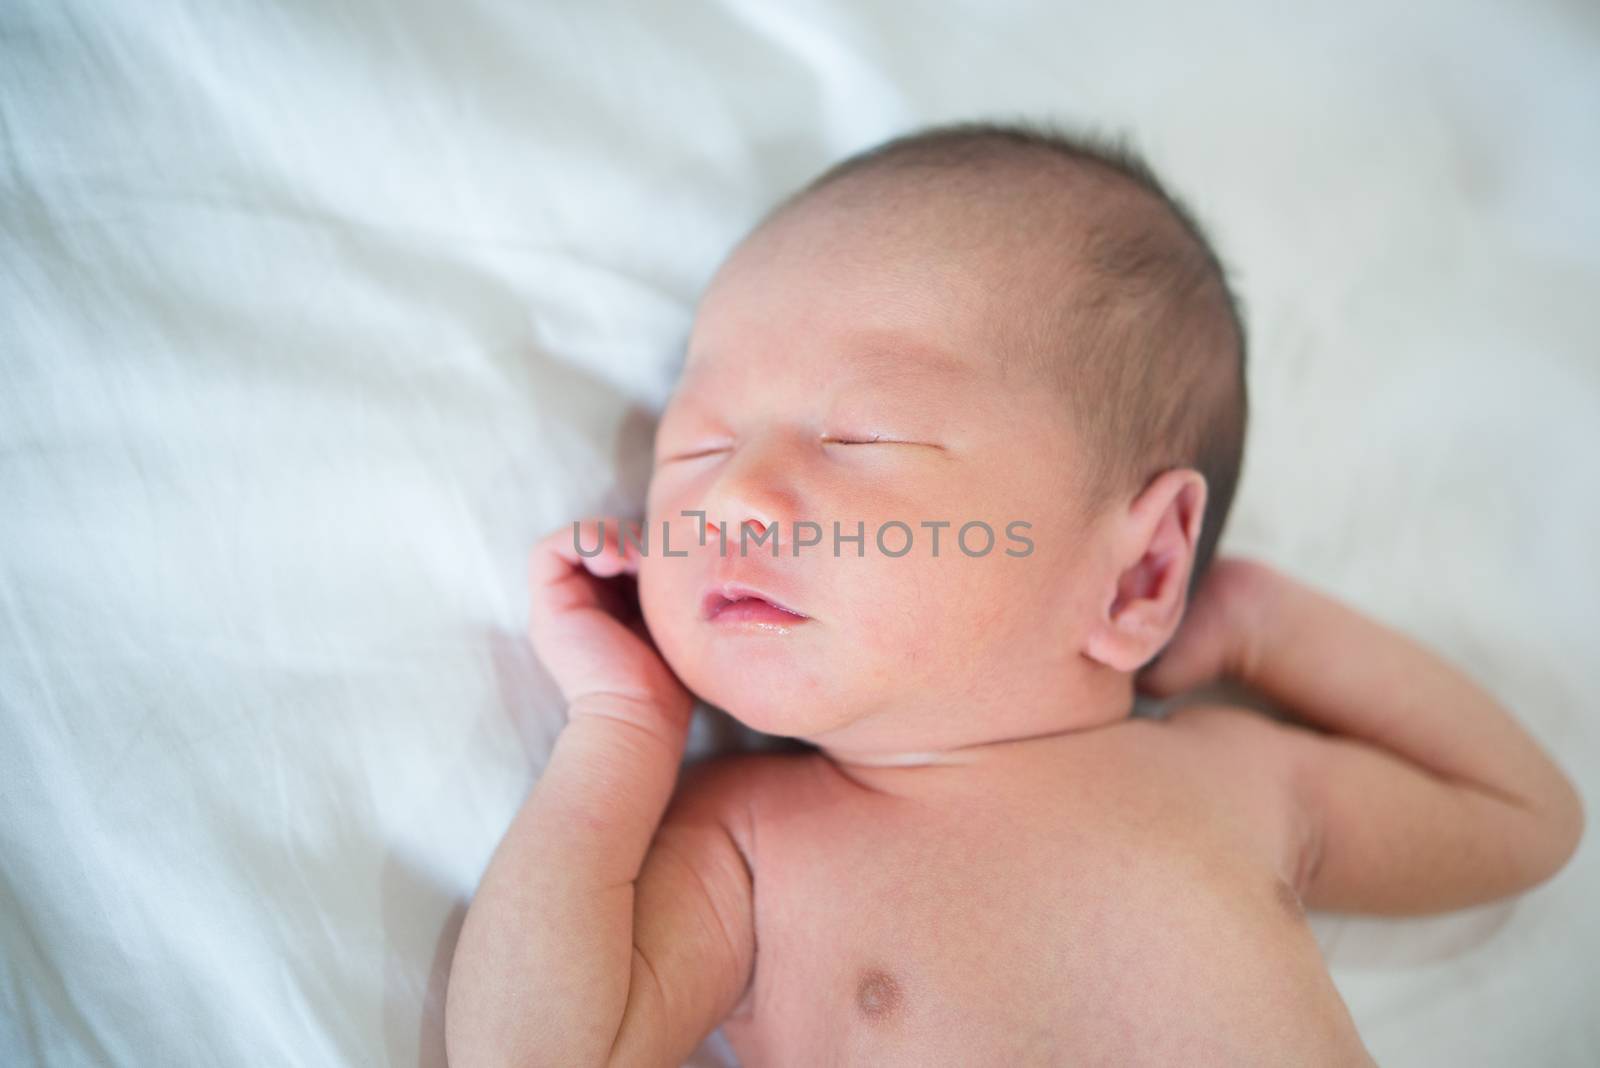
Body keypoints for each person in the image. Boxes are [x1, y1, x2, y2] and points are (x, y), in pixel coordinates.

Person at [445, 119, 1584, 1066]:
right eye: (694, 449)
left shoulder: (1230, 779)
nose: (732, 494)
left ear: (1138, 571)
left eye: (859, 432)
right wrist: (623, 727)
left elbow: (1524, 822)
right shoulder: (747, 846)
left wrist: (1267, 627)